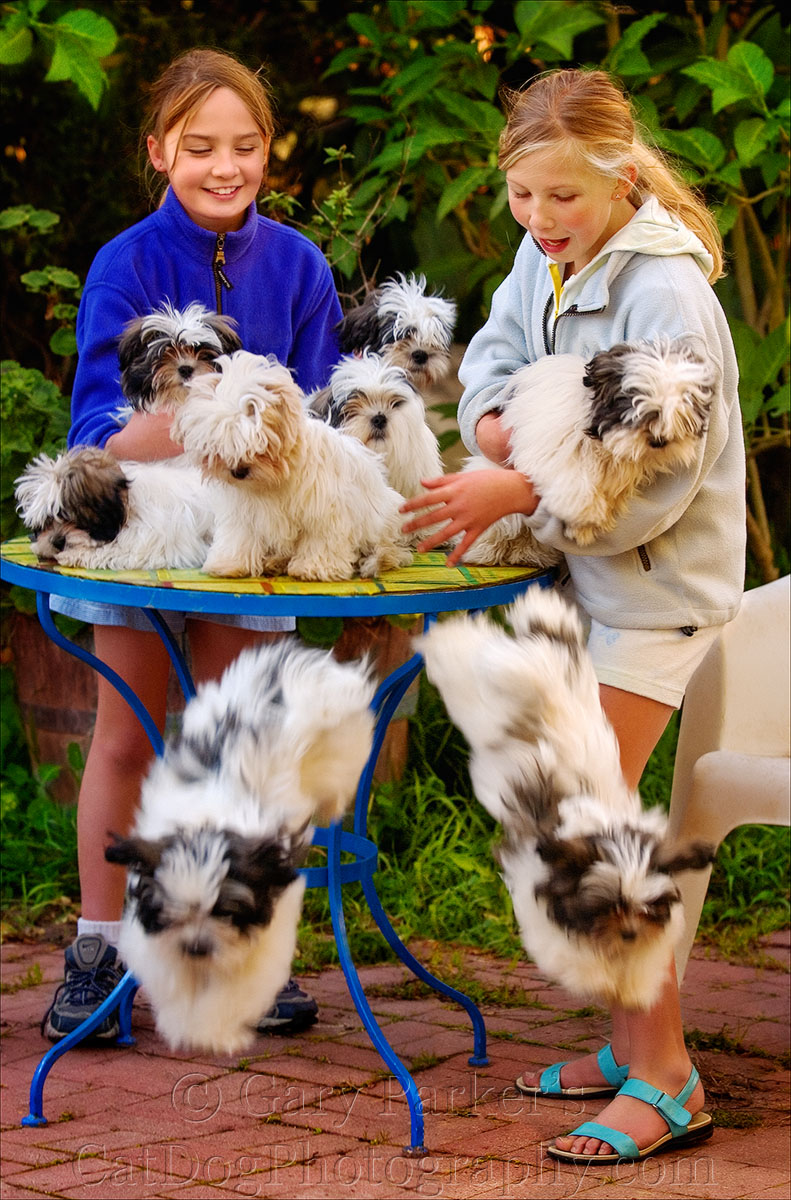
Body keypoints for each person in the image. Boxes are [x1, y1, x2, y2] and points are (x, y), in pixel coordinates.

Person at [401, 68, 745, 1163]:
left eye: (563, 200)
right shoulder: (543, 255)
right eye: (522, 200)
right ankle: (625, 1045)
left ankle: (665, 1077)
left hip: (653, 595)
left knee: (580, 825)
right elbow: (494, 356)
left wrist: (521, 489)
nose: (540, 223)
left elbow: (663, 476)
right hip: (577, 582)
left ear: (620, 176)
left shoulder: (666, 295)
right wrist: (498, 419)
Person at [42, 48, 343, 1043]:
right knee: (125, 734)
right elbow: (96, 429)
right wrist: (204, 423)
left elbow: (322, 417)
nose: (225, 165)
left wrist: (273, 443)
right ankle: (98, 949)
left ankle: (232, 941)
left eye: (246, 145)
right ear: (158, 149)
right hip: (141, 526)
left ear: (269, 151)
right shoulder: (127, 262)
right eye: (200, 145)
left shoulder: (296, 266)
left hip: (253, 537)